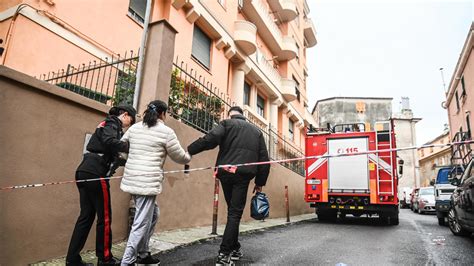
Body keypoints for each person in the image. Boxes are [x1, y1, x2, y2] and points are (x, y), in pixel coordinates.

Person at [187, 106, 270, 265]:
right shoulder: (256, 131)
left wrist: (190, 150)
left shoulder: (226, 124)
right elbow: (264, 160)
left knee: (233, 212)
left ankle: (235, 248)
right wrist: (260, 183)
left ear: (230, 115)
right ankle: (224, 254)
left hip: (225, 173)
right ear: (242, 115)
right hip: (243, 176)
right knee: (234, 213)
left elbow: (210, 140)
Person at [120, 100, 192, 266]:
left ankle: (144, 254)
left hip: (133, 178)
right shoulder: (166, 131)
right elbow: (179, 156)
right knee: (141, 222)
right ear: (163, 114)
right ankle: (128, 261)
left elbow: (121, 149)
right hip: (147, 182)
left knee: (153, 215)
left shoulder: (135, 128)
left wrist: (131, 162)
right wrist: (189, 157)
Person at [67, 104, 137, 266]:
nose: (129, 125)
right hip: (96, 174)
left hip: (84, 170)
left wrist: (125, 160)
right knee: (105, 218)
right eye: (130, 121)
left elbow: (111, 151)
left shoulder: (106, 124)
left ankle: (72, 260)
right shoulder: (113, 123)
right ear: (125, 115)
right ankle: (105, 259)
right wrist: (130, 146)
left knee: (86, 217)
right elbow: (110, 141)